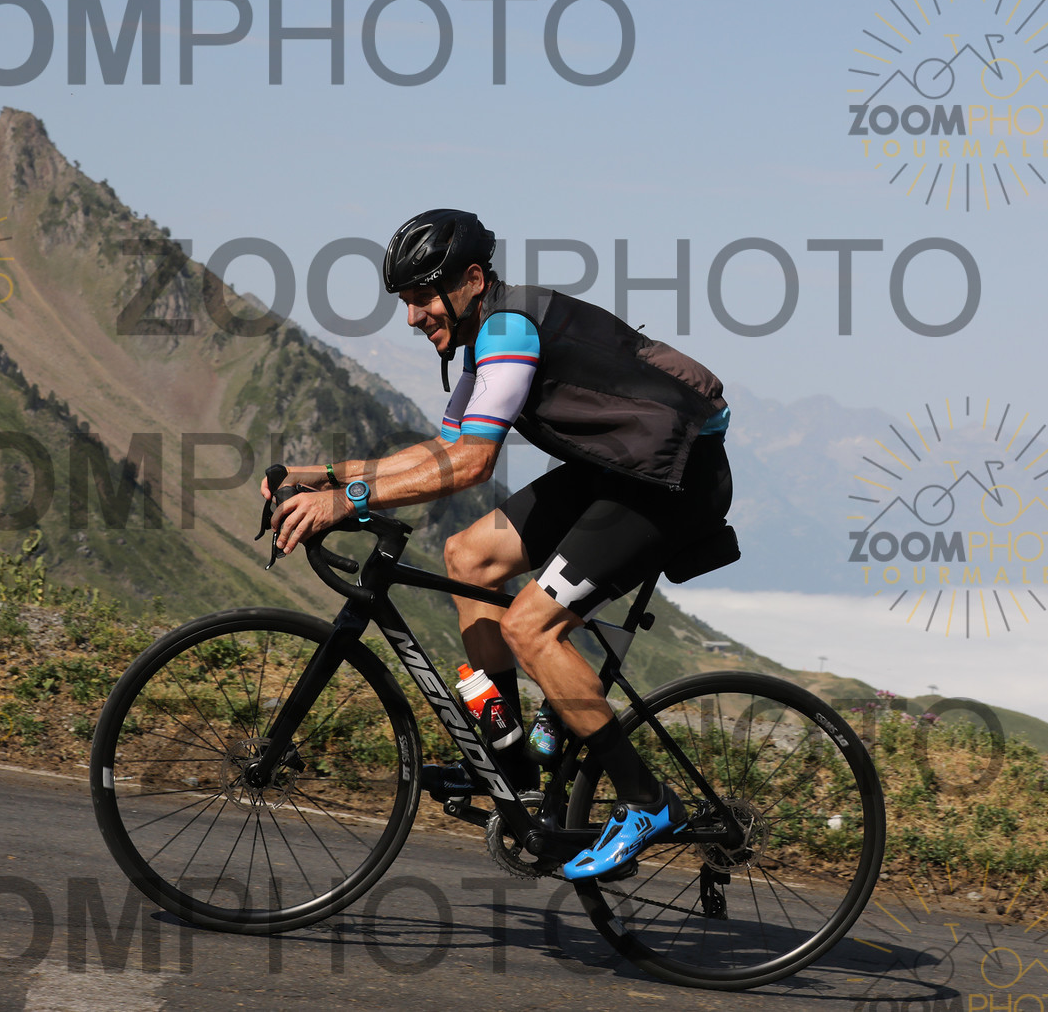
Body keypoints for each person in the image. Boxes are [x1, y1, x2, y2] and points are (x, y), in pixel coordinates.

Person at [264, 209, 732, 880]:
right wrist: (329, 475)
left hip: (673, 482)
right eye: (404, 301)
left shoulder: (509, 330)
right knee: (469, 557)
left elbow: (473, 462)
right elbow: (442, 449)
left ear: (473, 280)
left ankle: (647, 800)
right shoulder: (486, 336)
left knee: (530, 628)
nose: (412, 316)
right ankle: (510, 761)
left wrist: (348, 501)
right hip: (620, 472)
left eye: (422, 297)